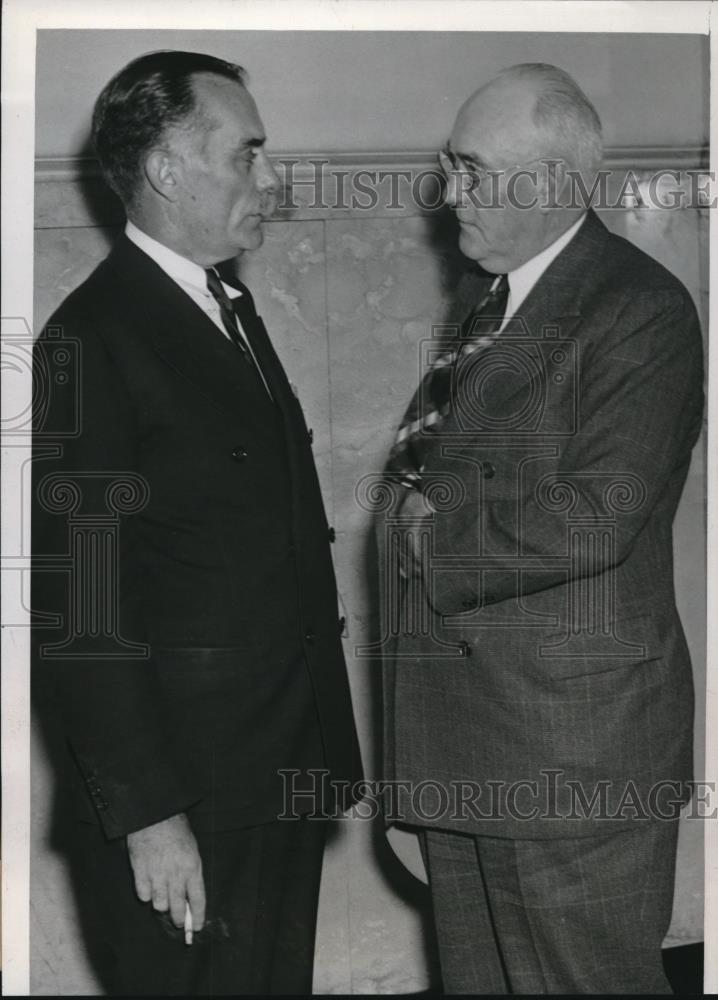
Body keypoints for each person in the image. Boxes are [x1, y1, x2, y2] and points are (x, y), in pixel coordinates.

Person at [32, 50, 362, 996]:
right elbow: (82, 613)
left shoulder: (226, 307)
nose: (274, 179)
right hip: (189, 796)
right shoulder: (90, 341)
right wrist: (151, 817)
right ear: (169, 172)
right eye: (248, 154)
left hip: (275, 774)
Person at [380, 63, 704, 994]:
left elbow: (599, 513)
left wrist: (428, 537)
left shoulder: (637, 308)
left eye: (474, 169)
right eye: (451, 164)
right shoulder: (500, 301)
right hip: (477, 743)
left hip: (571, 759)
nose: (452, 192)